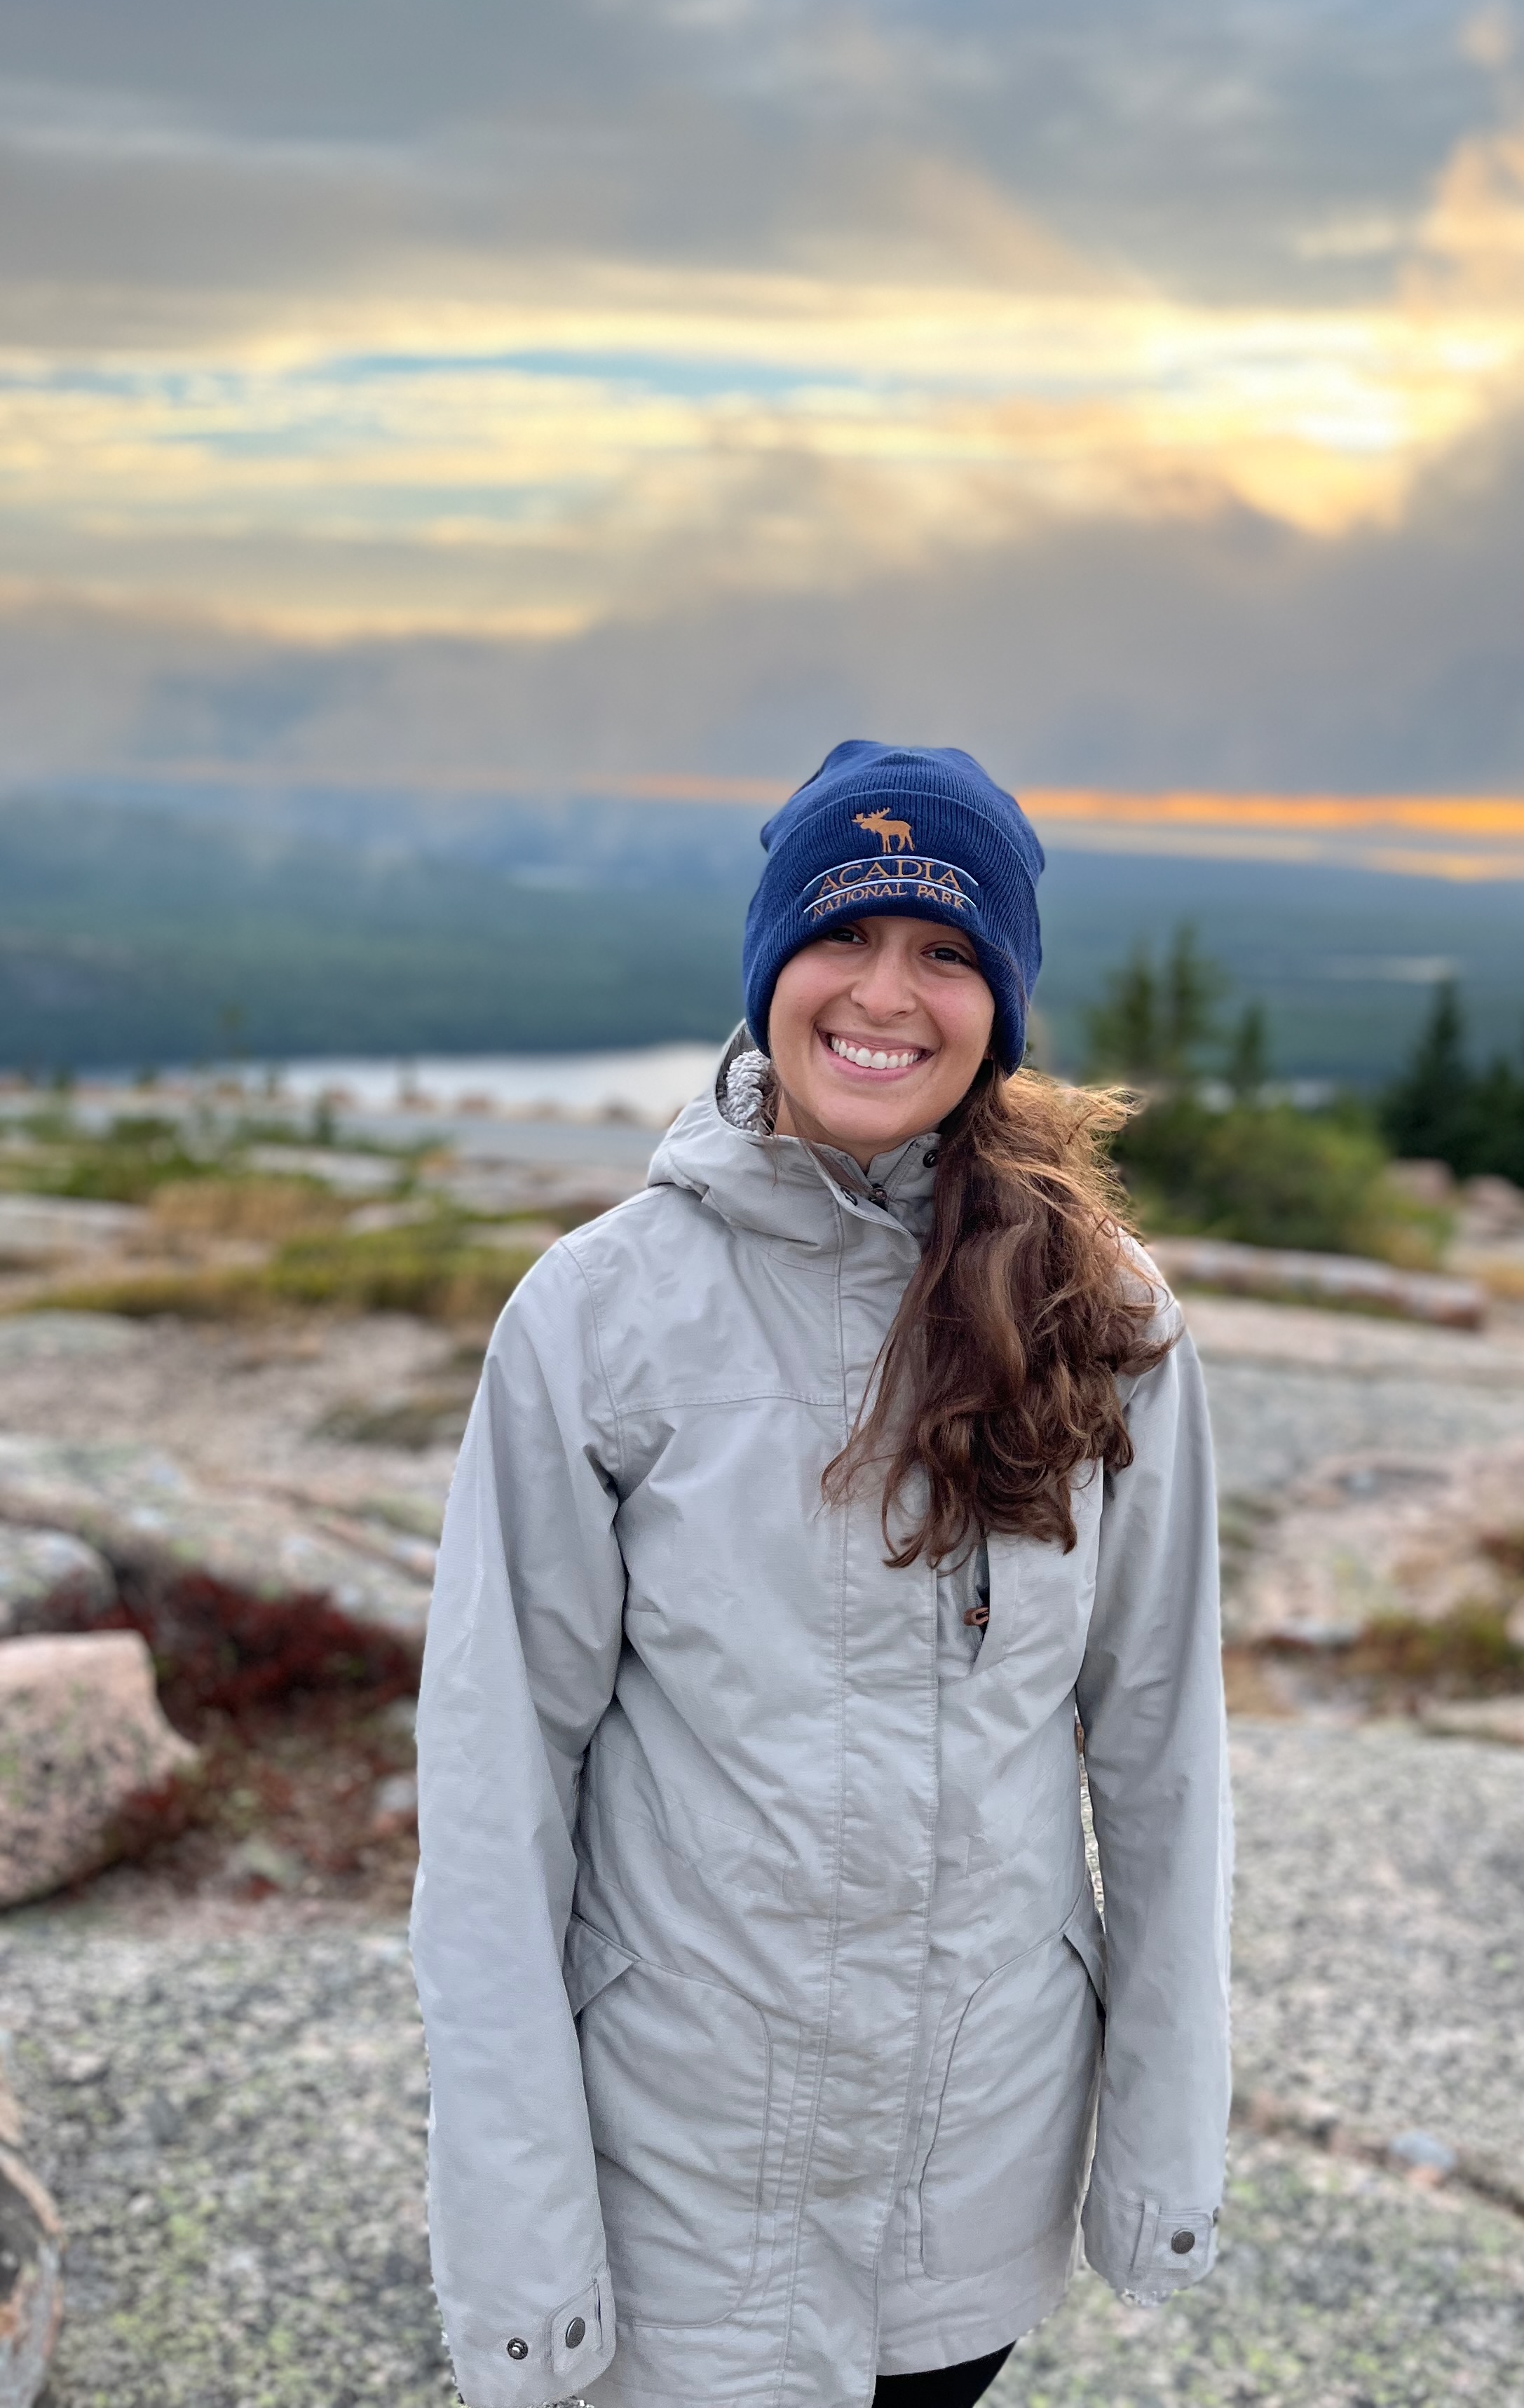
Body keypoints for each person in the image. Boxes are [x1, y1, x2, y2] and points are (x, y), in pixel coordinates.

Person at [411, 741, 1232, 2408]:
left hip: (973, 2177)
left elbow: (1161, 1759)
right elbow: (497, 1794)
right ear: (766, 963)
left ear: (1000, 1002)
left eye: (945, 951)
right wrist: (519, 2241)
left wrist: (1156, 2160)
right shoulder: (597, 1317)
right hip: (683, 2184)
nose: (886, 995)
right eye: (841, 934)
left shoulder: (1109, 1320)